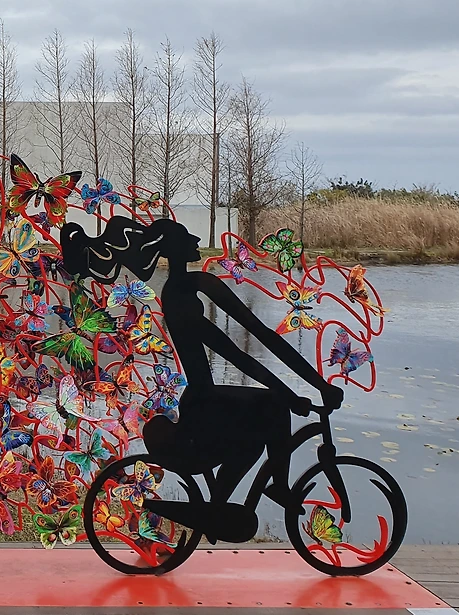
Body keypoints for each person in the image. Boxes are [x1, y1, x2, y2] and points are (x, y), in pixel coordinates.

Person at [60, 216, 343, 541]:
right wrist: (301, 391)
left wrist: (312, 386)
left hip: (202, 396)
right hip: (204, 402)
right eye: (186, 238)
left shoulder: (188, 286)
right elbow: (245, 348)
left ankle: (234, 502)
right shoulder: (183, 291)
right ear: (174, 248)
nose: (195, 242)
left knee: (262, 423)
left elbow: (256, 338)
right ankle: (243, 500)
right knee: (270, 411)